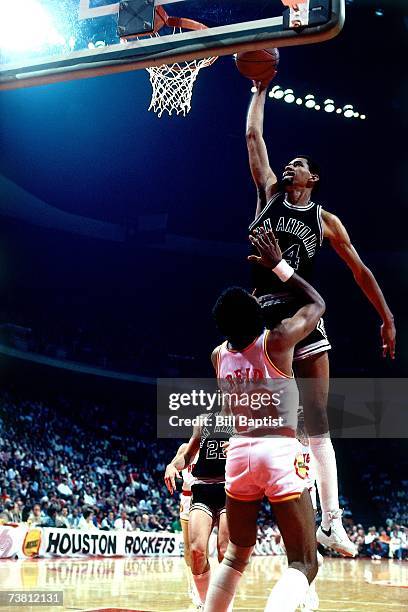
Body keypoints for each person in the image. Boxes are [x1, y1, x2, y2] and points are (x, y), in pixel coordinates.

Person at [244, 81, 396, 556]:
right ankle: (282, 508)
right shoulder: (269, 191)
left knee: (319, 424)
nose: (290, 165)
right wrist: (259, 88)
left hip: (304, 313)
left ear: (312, 180)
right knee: (274, 425)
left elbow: (361, 271)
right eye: (289, 162)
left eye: (300, 164)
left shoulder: (327, 221)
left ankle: (332, 520)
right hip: (265, 319)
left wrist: (387, 318)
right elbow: (254, 140)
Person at [204, 227, 324, 612]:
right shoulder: (277, 340)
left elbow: (241, 322)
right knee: (304, 563)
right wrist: (280, 266)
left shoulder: (218, 355)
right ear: (255, 314)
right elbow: (317, 304)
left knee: (236, 555)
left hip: (238, 451)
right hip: (278, 447)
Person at [165, 412, 233, 609]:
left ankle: (225, 605)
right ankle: (205, 603)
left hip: (229, 489)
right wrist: (171, 466)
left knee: (224, 550)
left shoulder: (247, 422)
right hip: (201, 489)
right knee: (195, 552)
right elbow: (186, 456)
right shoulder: (203, 421)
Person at [164, 444, 200, 606]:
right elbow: (172, 466)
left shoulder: (215, 448)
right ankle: (193, 584)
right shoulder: (185, 448)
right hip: (187, 497)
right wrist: (170, 468)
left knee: (202, 547)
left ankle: (210, 587)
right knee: (189, 547)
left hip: (209, 495)